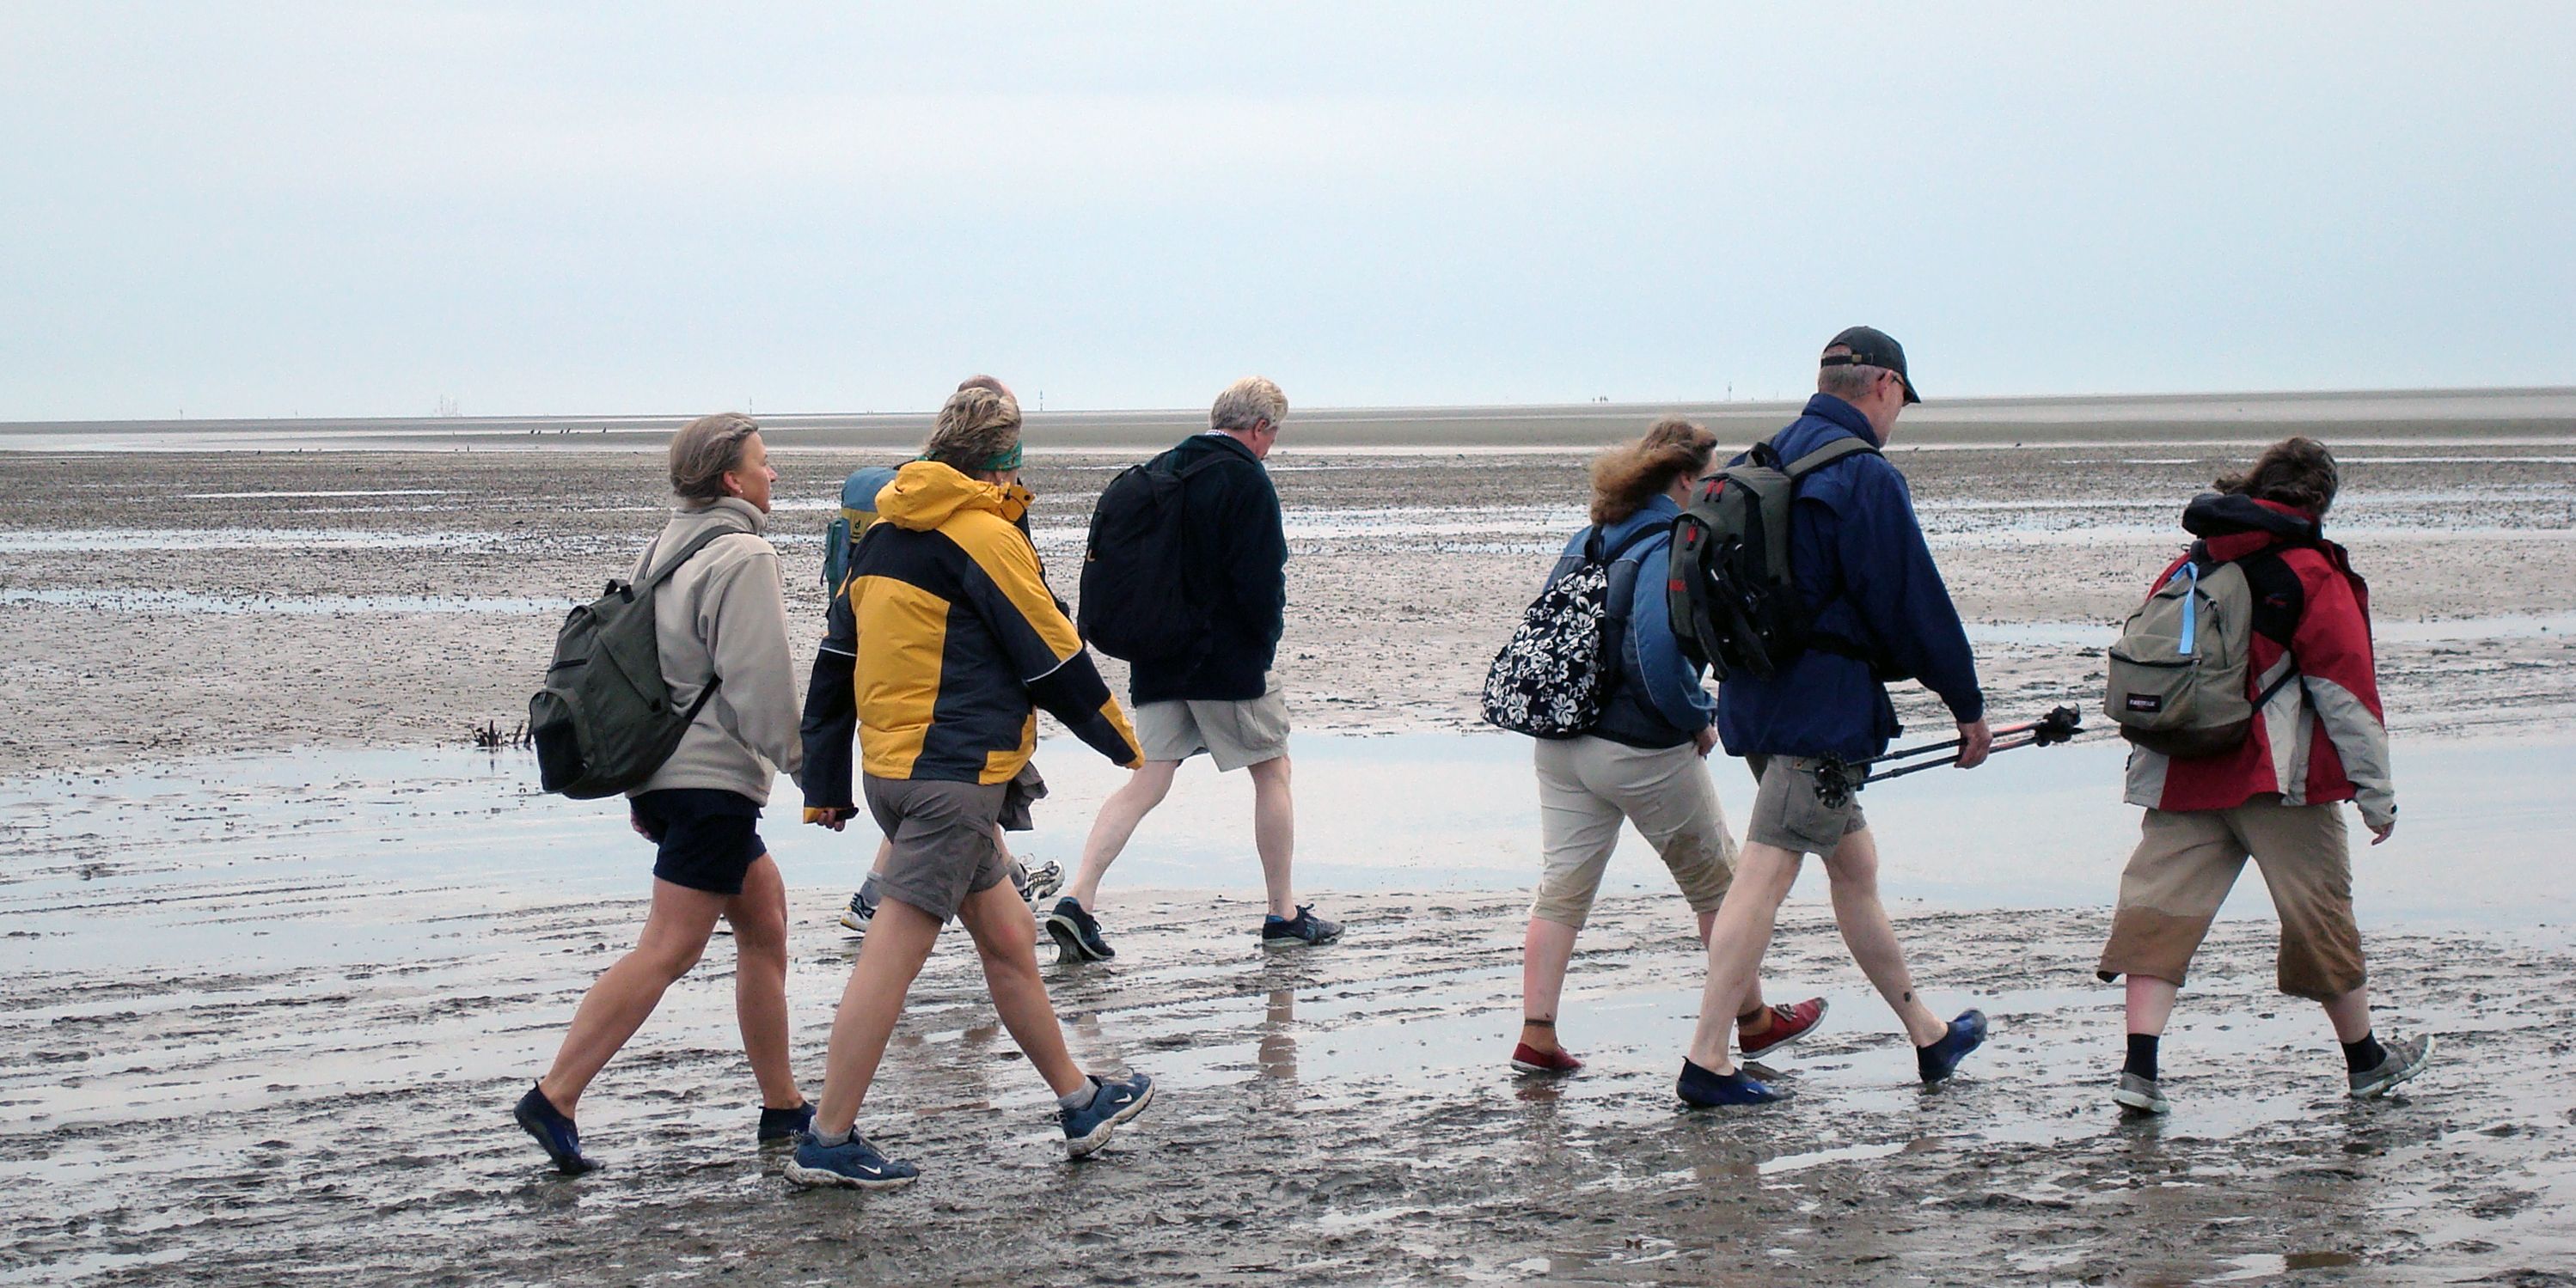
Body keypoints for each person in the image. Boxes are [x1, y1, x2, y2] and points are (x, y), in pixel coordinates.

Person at [788, 385, 1153, 1188]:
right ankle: (827, 1136)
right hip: (950, 783)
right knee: (889, 960)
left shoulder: (882, 532)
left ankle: (1080, 1097)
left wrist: (827, 780)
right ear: (1002, 460)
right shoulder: (981, 535)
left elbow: (833, 664)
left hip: (901, 778)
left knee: (1010, 943)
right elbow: (1050, 648)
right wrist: (1122, 743)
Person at [1678, 327, 1993, 1108]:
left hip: (1755, 695)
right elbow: (1913, 602)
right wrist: (1967, 705)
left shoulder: (1762, 460)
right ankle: (1705, 1060)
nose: (1896, 418)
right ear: (1883, 385)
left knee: (1854, 870)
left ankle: (1927, 1034)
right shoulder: (1863, 477)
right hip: (1816, 717)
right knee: (1765, 873)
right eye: (1900, 402)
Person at [513, 412, 811, 1174]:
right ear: (730, 480)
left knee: (765, 920)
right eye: (764, 463)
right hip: (711, 780)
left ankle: (782, 1107)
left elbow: (652, 675)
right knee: (668, 948)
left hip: (673, 777)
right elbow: (759, 684)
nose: (773, 475)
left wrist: (643, 791)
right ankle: (556, 1094)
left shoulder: (664, 543)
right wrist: (815, 774)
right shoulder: (743, 553)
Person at [2096, 436, 2431, 1115]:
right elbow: (2344, 693)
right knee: (2318, 914)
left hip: (2179, 769)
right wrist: (2377, 795)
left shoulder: (2192, 559)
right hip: (2275, 778)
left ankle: (2139, 1071)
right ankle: (2365, 1060)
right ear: (2316, 500)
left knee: (2157, 913)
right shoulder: (2310, 570)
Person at [1510, 418, 1829, 1077]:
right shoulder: (1667, 541)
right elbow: (1656, 657)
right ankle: (1753, 1021)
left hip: (1562, 744)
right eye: (1710, 477)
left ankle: (1535, 1032)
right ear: (1684, 478)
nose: (1715, 488)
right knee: (1717, 884)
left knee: (1562, 890)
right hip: (1638, 749)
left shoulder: (1587, 536)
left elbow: (1544, 628)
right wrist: (1697, 714)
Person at [1048, 376, 1342, 960]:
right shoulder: (1244, 477)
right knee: (1272, 768)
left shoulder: (1162, 467)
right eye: (1272, 434)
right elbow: (1260, 581)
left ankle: (1078, 898)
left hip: (1156, 655)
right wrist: (1260, 651)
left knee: (1148, 779)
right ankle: (1283, 913)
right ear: (1260, 428)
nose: (1270, 445)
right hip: (1224, 659)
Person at [813, 445, 1063, 940]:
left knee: (1006, 929)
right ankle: (872, 899)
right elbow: (1024, 601)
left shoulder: (906, 494)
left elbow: (834, 668)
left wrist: (824, 781)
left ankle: (1011, 882)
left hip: (894, 685)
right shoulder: (977, 507)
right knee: (951, 797)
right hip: (954, 702)